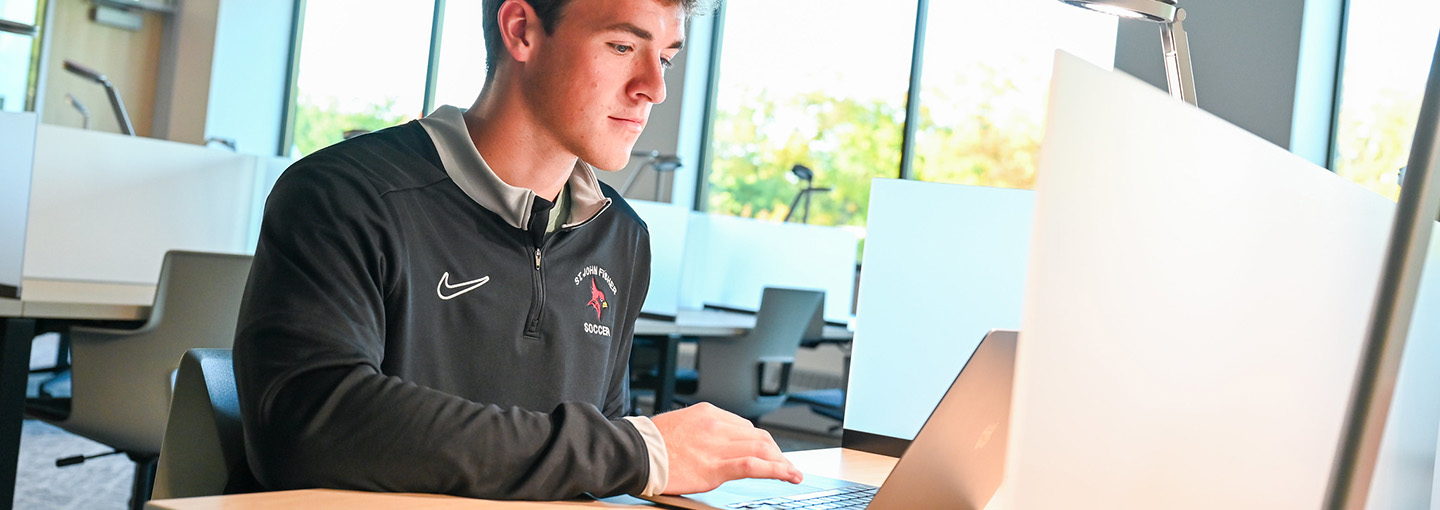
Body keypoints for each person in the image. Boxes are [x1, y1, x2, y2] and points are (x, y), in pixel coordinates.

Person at [232, 0, 804, 501]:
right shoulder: (347, 195)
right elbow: (309, 424)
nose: (653, 87)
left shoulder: (621, 237)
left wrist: (633, 456)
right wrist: (637, 451)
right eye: (624, 45)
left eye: (668, 59)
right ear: (522, 30)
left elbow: (591, 458)